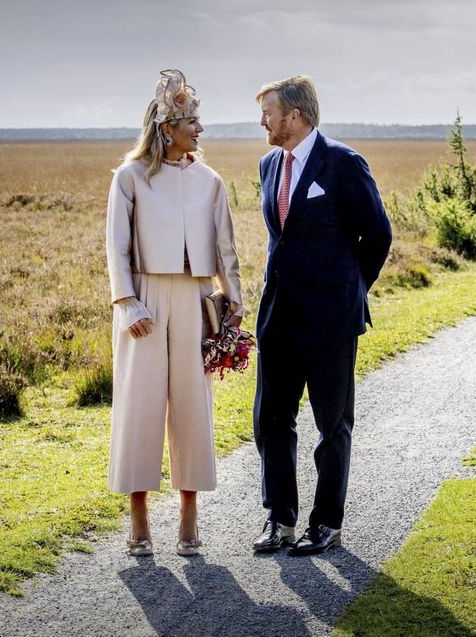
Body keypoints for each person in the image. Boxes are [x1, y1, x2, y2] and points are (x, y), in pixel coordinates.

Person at [251, 75, 392, 556]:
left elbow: (377, 236)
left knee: (332, 424)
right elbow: (280, 237)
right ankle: (279, 520)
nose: (262, 122)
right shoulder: (270, 164)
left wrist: (348, 291)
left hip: (330, 319)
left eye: (268, 112)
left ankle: (326, 524)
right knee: (271, 420)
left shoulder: (344, 164)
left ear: (294, 115)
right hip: (278, 316)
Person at [106, 69, 243, 557]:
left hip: (196, 300)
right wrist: (127, 303)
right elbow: (116, 249)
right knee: (139, 408)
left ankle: (189, 515)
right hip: (142, 300)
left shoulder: (211, 181)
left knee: (193, 407)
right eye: (192, 121)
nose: (200, 129)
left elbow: (227, 251)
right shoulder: (129, 178)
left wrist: (236, 306)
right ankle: (138, 516)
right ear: (167, 127)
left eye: (199, 119)